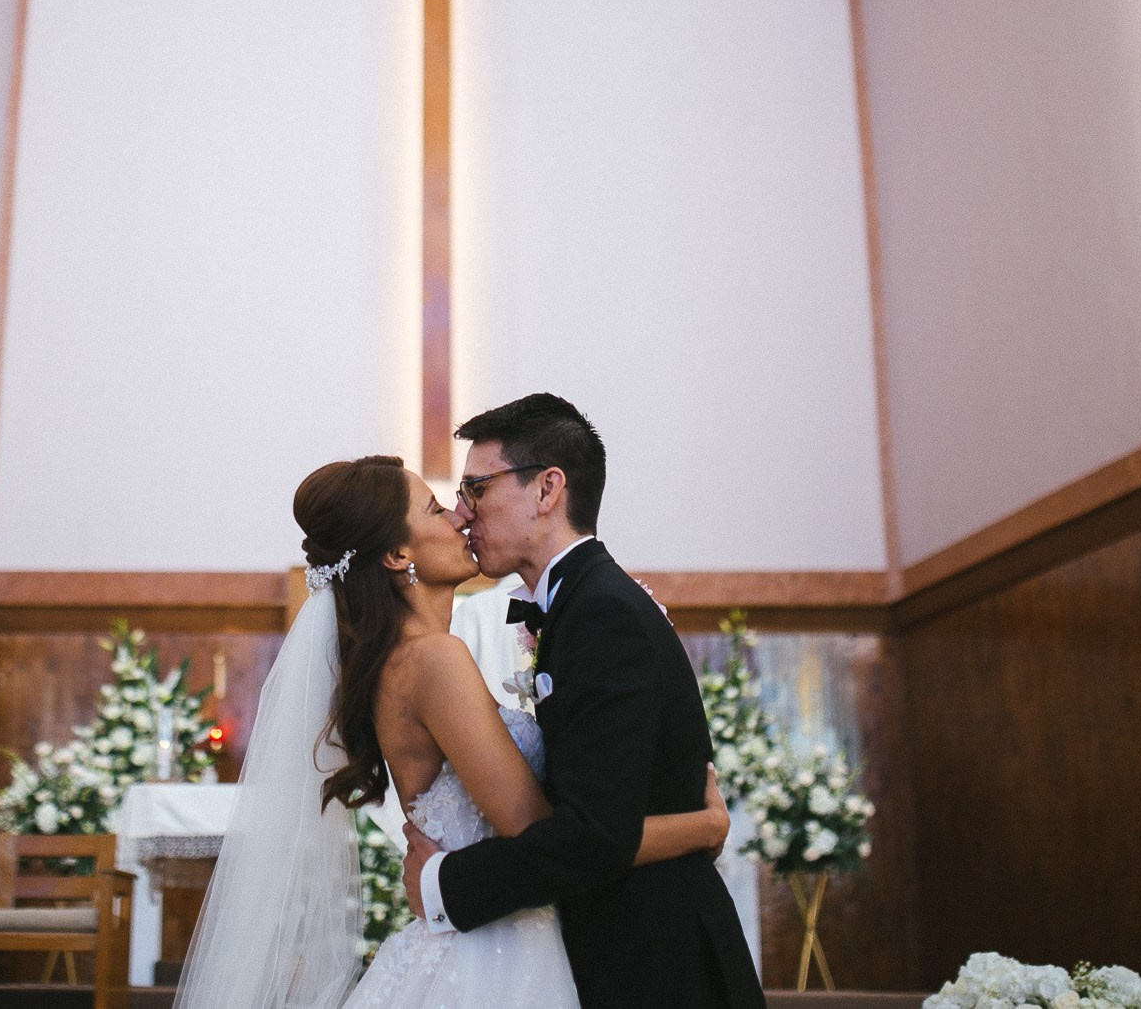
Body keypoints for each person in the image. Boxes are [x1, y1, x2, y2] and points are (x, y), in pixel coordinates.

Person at [174, 448, 729, 1009]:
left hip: (484, 934)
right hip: (496, 957)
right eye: (438, 509)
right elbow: (544, 834)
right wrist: (700, 827)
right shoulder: (434, 660)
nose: (462, 516)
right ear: (396, 554)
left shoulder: (400, 661)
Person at [404, 394, 766, 1009]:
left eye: (478, 489)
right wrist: (699, 826)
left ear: (547, 490)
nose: (464, 515)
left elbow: (595, 834)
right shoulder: (579, 602)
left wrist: (446, 884)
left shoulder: (600, 611)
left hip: (657, 960)